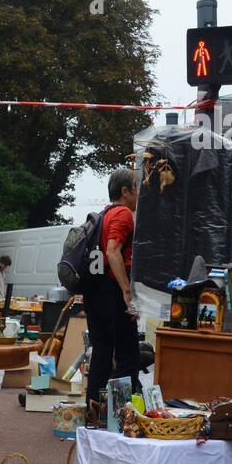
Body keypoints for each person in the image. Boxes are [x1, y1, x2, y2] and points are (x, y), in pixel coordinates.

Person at [84, 167, 141, 410]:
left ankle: (93, 413)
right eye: (137, 188)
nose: (139, 195)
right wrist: (127, 292)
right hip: (113, 292)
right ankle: (119, 415)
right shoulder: (123, 213)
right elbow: (112, 251)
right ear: (125, 191)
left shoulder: (103, 214)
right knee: (128, 356)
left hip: (94, 291)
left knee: (102, 354)